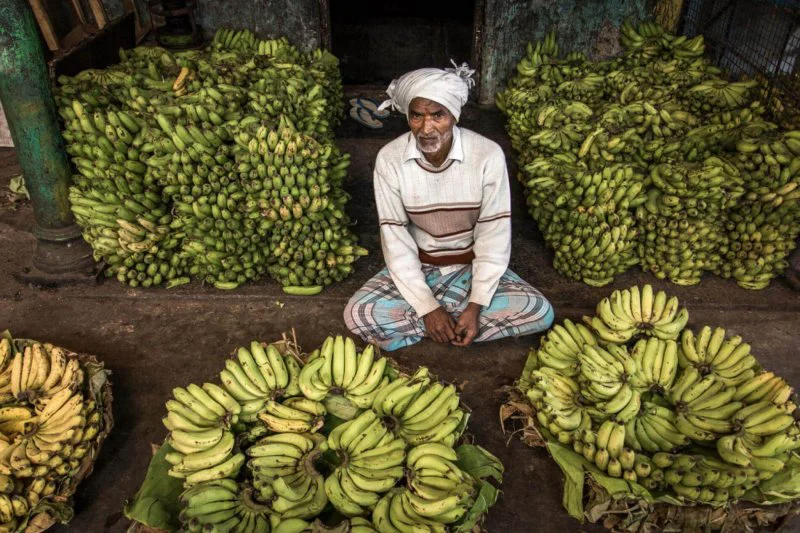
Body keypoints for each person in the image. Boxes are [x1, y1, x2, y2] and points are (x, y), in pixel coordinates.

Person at [343, 62, 554, 351]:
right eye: (417, 116)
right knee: (357, 314)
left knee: (539, 311)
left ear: (454, 116)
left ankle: (450, 323)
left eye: (437, 115)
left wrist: (477, 304)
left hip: (472, 267)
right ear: (408, 117)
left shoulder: (487, 155)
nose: (426, 128)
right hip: (421, 267)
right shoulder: (390, 159)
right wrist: (428, 306)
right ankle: (447, 323)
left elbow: (494, 233)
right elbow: (395, 238)